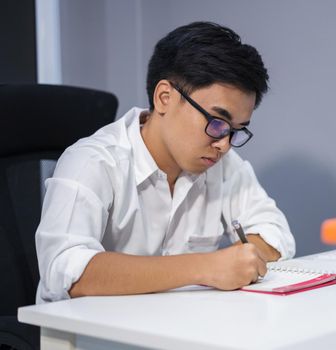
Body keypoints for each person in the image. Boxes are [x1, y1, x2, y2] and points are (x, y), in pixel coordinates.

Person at [35, 21, 295, 303]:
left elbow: (275, 233)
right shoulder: (91, 162)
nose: (224, 143)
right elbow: (66, 271)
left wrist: (243, 259)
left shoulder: (223, 164)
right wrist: (206, 267)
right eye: (217, 122)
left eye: (236, 130)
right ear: (164, 98)